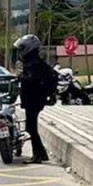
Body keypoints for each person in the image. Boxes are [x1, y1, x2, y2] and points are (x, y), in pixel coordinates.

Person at [14, 34, 58, 164]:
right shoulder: (35, 62)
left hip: (34, 99)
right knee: (31, 127)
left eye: (22, 48)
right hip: (35, 99)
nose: (20, 52)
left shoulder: (34, 64)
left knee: (31, 128)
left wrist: (20, 76)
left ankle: (37, 155)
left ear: (28, 48)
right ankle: (41, 153)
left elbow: (32, 80)